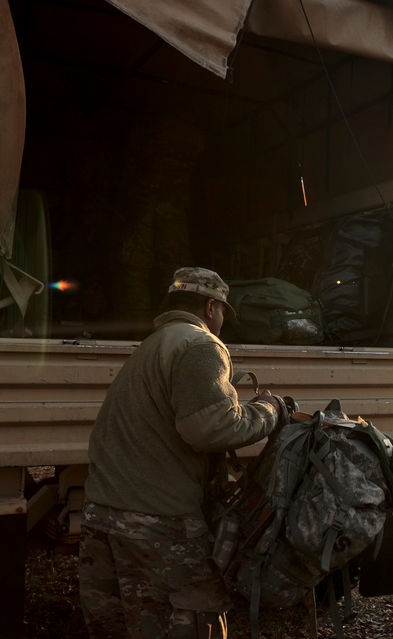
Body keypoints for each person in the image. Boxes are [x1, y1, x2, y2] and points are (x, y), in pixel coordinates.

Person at [79, 267, 285, 639]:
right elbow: (211, 429)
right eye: (223, 312)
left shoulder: (152, 345)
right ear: (210, 308)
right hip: (158, 520)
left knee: (122, 625)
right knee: (192, 621)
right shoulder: (200, 345)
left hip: (104, 513)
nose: (223, 321)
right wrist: (270, 409)